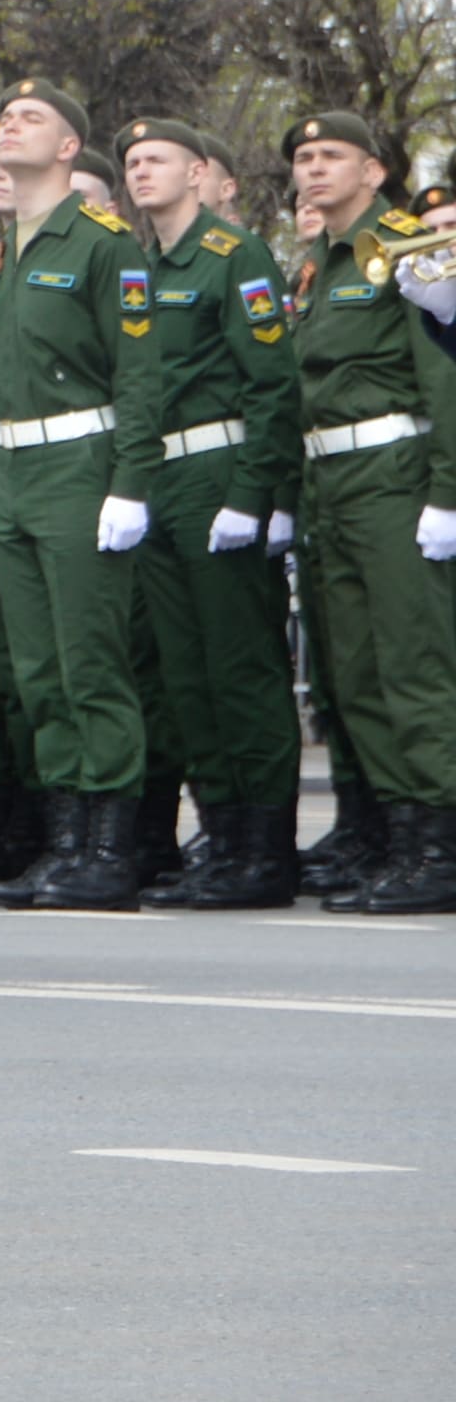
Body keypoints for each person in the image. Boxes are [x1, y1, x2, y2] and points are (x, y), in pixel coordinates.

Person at [0, 79, 170, 910]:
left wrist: (130, 486)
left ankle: (111, 847)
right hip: (12, 471)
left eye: (31, 119)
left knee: (91, 664)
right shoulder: (2, 247)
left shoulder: (101, 243)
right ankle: (67, 839)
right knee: (38, 670)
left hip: (82, 464)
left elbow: (141, 375)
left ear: (67, 150)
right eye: (5, 116)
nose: (10, 125)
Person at [109, 118, 309, 908]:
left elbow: (271, 385)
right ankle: (223, 840)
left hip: (219, 471)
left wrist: (253, 495)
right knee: (187, 673)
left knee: (242, 669)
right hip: (158, 475)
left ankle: (265, 850)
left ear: (199, 173)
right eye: (131, 162)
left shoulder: (235, 256)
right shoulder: (137, 266)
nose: (141, 173)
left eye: (157, 159)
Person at [280, 110, 456, 911]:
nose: (313, 169)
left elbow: (443, 375)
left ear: (374, 171)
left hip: (393, 475)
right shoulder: (318, 262)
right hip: (331, 479)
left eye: (331, 156)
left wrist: (447, 493)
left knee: (411, 664)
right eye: (304, 158)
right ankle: (394, 834)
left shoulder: (411, 248)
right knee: (352, 672)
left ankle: (438, 844)